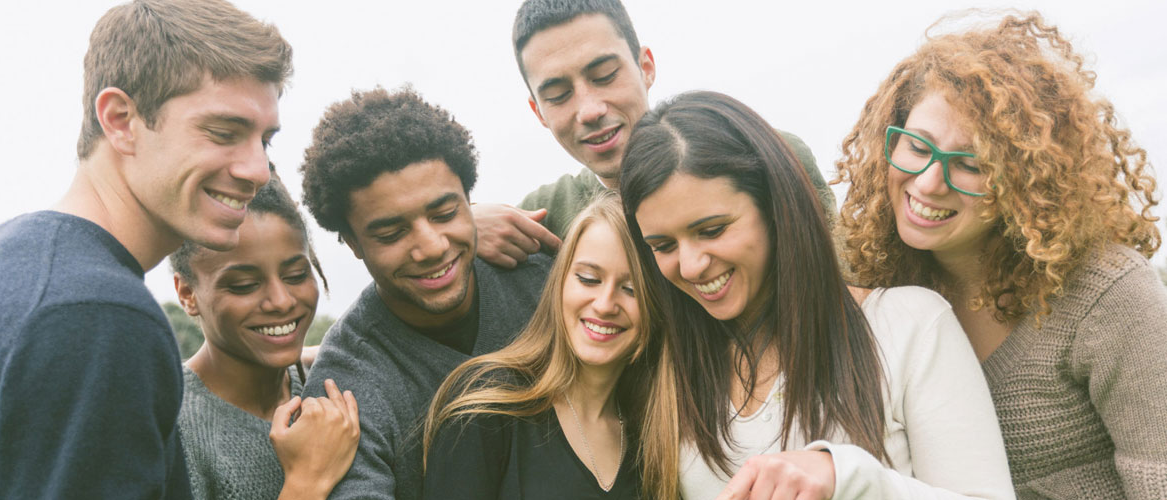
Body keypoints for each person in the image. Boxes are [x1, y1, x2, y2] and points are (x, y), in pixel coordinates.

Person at [834, 12, 1167, 499]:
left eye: (971, 164)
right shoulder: (868, 273)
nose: (928, 182)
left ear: (1032, 179)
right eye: (916, 146)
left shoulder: (1109, 294)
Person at [621, 91, 1014, 500]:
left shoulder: (907, 324)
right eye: (663, 246)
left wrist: (845, 477)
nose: (689, 266)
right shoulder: (669, 373)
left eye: (712, 230)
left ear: (775, 207)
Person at [0, 0, 291, 497]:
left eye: (266, 140)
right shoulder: (100, 317)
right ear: (120, 120)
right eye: (224, 133)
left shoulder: (24, 259)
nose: (258, 171)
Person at [298, 87, 552, 500]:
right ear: (353, 243)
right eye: (392, 233)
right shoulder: (344, 388)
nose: (432, 246)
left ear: (471, 202)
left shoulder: (548, 284)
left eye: (444, 213)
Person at [472, 0, 835, 268]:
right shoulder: (546, 217)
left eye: (604, 75)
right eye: (558, 96)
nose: (590, 110)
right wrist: (464, 224)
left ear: (646, 67)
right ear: (539, 112)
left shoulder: (770, 156)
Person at [422, 192, 678, 499]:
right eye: (588, 279)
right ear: (560, 281)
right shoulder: (488, 403)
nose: (605, 304)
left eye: (631, 289)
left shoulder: (655, 437)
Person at [169, 175, 359, 500]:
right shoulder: (171, 432)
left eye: (296, 275)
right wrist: (305, 484)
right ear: (187, 294)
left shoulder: (331, 383)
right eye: (244, 285)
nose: (281, 301)